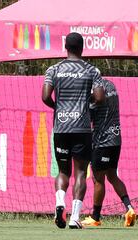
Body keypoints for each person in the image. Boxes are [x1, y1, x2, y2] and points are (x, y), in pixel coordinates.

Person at [42, 32, 105, 229]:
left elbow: (44, 96)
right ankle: (75, 218)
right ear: (82, 48)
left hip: (61, 126)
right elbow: (100, 97)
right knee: (80, 172)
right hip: (82, 127)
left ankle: (60, 202)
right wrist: (87, 106)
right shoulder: (91, 70)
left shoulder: (54, 69)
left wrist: (58, 108)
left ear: (65, 47)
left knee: (63, 171)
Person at [81, 79, 136, 227]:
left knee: (98, 179)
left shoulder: (94, 93)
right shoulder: (110, 85)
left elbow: (88, 119)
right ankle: (129, 208)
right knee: (112, 176)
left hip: (102, 142)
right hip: (116, 140)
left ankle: (95, 217)